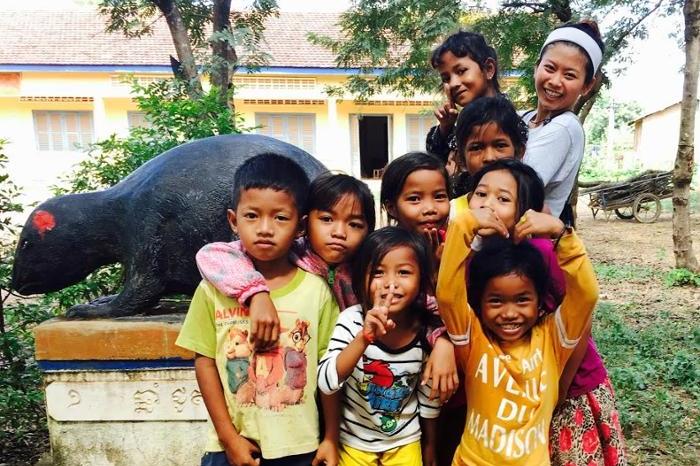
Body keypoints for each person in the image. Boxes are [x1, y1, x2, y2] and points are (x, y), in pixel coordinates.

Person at [176, 154, 339, 466]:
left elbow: (327, 371)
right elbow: (204, 362)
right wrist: (228, 438)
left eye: (280, 218)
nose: (265, 229)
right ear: (233, 221)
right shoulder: (213, 290)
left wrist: (330, 437)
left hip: (301, 445)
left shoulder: (315, 290)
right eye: (252, 216)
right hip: (233, 446)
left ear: (300, 226)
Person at [196, 173, 375, 349]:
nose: (339, 233)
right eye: (327, 219)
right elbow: (211, 254)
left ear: (368, 230)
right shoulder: (290, 250)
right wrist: (255, 293)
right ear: (304, 224)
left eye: (354, 225)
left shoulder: (367, 267)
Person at [317, 227, 442, 466]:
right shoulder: (351, 320)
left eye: (404, 272)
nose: (390, 284)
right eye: (378, 273)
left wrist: (430, 447)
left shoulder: (425, 328)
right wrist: (364, 338)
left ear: (421, 281)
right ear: (361, 277)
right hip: (354, 441)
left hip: (405, 441)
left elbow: (428, 398)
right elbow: (325, 382)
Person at [523, 21, 605, 223]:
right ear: (536, 67)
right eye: (550, 68)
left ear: (587, 85)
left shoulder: (564, 127)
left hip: (524, 246)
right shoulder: (523, 117)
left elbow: (513, 187)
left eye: (569, 75)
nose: (555, 81)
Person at [426, 31, 501, 164]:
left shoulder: (508, 120)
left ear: (489, 69)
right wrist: (445, 128)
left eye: (461, 71)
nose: (453, 83)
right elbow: (435, 165)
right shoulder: (457, 127)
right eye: (446, 78)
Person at [449, 95, 529, 217]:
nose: (489, 157)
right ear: (461, 159)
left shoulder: (531, 210)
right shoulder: (451, 214)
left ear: (519, 152)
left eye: (500, 145)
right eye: (476, 148)